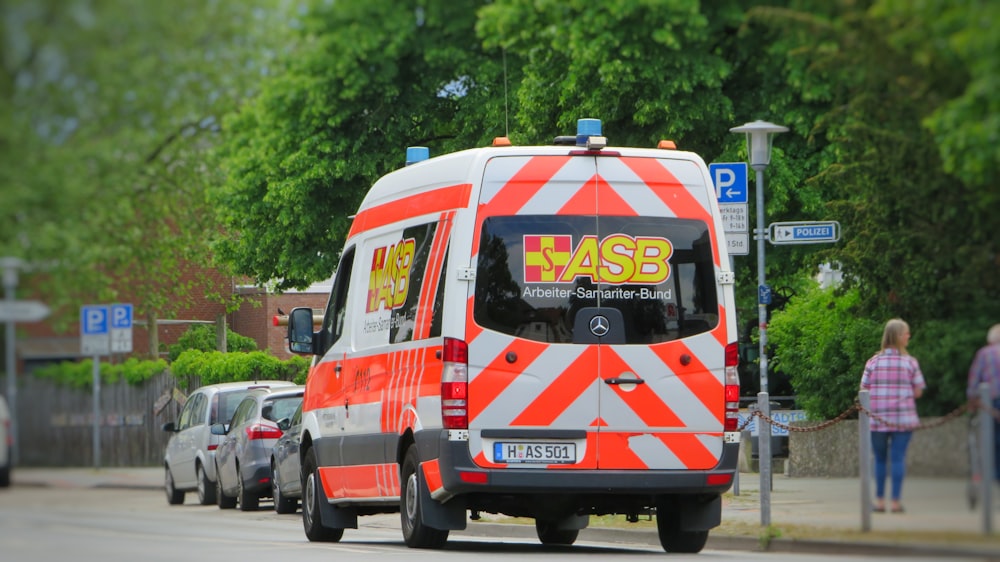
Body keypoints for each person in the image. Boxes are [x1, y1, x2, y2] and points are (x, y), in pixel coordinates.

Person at [860, 318, 925, 513]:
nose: (909, 337)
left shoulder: (873, 362)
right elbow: (919, 391)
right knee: (897, 459)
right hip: (903, 420)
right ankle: (895, 502)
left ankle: (879, 501)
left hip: (877, 420)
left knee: (879, 459)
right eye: (906, 333)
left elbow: (863, 389)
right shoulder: (910, 363)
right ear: (898, 337)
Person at [967, 323, 1000, 483]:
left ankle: (995, 473)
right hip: (992, 400)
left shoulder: (984, 353)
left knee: (992, 437)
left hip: (992, 400)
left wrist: (972, 400)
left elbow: (975, 378)